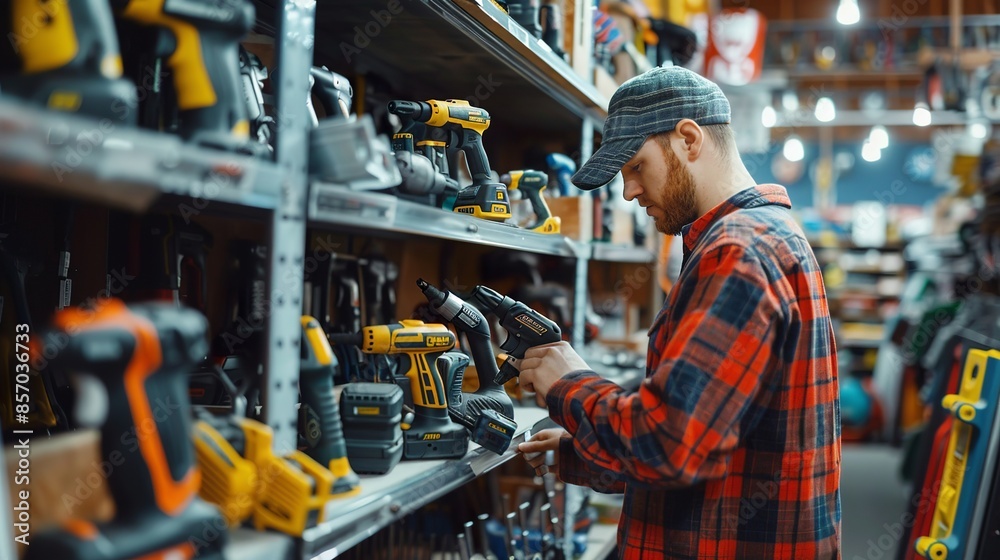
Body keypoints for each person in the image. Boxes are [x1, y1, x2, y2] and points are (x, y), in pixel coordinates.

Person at [514, 66, 841, 559]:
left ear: (688, 138)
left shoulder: (738, 252)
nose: (628, 192)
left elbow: (672, 444)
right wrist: (579, 452)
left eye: (637, 167)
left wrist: (569, 382)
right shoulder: (765, 236)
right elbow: (710, 438)